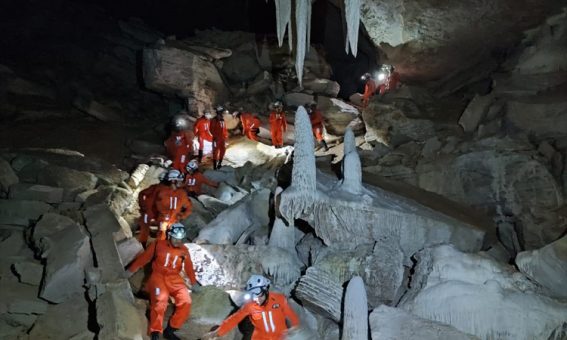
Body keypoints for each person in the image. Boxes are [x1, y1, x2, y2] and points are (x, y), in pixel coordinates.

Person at [125, 223, 198, 340]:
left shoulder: (184, 250)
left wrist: (193, 283)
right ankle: (155, 331)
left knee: (186, 301)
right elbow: (144, 257)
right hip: (158, 276)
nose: (177, 242)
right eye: (175, 238)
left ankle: (171, 329)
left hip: (175, 278)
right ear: (169, 236)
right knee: (160, 300)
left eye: (180, 239)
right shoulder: (158, 244)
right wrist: (131, 270)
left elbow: (189, 267)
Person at [202, 274, 300, 340]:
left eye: (258, 294)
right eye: (253, 295)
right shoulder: (250, 305)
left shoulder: (280, 299)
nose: (256, 299)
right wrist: (216, 333)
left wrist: (294, 326)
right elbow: (233, 319)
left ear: (265, 290)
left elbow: (290, 314)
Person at [154, 169, 192, 240]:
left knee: (174, 240)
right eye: (179, 180)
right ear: (173, 181)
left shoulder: (182, 194)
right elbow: (156, 206)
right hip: (164, 220)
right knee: (162, 238)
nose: (180, 182)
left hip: (174, 221)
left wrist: (182, 216)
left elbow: (189, 208)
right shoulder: (162, 192)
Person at [137, 173, 168, 247]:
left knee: (161, 229)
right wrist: (143, 206)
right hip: (150, 211)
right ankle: (143, 244)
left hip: (157, 213)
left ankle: (155, 246)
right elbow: (142, 194)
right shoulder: (155, 188)